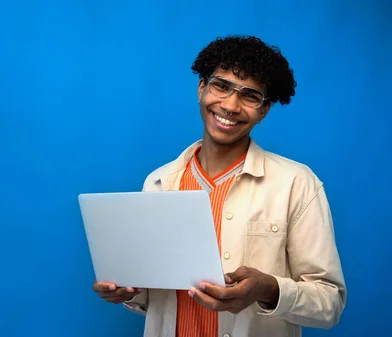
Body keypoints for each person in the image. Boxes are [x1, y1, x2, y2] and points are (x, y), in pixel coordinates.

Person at [91, 35, 346, 337]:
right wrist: (128, 291)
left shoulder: (297, 184)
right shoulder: (159, 182)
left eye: (250, 96)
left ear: (264, 110)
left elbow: (330, 302)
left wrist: (268, 289)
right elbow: (155, 296)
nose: (230, 105)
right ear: (201, 88)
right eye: (221, 86)